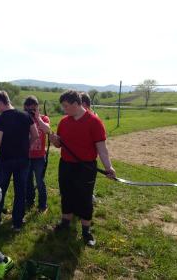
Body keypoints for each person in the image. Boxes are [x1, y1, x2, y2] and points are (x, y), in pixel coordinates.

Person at [49, 90, 116, 246]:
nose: (64, 109)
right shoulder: (64, 121)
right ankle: (66, 221)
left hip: (86, 167)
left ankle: (86, 231)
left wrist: (109, 167)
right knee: (66, 194)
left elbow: (102, 149)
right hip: (65, 165)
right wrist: (54, 140)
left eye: (66, 106)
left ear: (76, 104)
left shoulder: (94, 122)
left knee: (85, 198)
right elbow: (59, 145)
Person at [0, 91, 39, 231]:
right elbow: (35, 135)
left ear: (1, 102)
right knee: (20, 191)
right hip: (23, 160)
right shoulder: (25, 115)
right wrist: (27, 146)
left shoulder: (1, 119)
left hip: (5, 160)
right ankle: (17, 223)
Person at [23, 96, 51, 213]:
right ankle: (29, 202)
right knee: (28, 181)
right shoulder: (23, 118)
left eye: (34, 108)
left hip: (39, 156)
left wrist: (38, 118)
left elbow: (47, 130)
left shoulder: (43, 118)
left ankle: (42, 205)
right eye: (30, 109)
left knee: (40, 181)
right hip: (26, 156)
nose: (32, 111)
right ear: (25, 108)